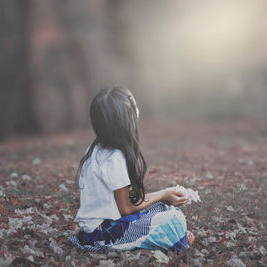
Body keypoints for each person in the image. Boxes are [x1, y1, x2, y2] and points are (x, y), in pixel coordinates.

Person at [69, 86, 194, 252]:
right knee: (175, 219)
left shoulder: (95, 148)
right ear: (126, 119)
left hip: (94, 230)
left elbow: (127, 204)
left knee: (164, 208)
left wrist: (164, 195)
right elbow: (126, 209)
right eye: (134, 106)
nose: (137, 110)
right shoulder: (115, 157)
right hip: (103, 233)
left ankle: (164, 233)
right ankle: (168, 236)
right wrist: (164, 194)